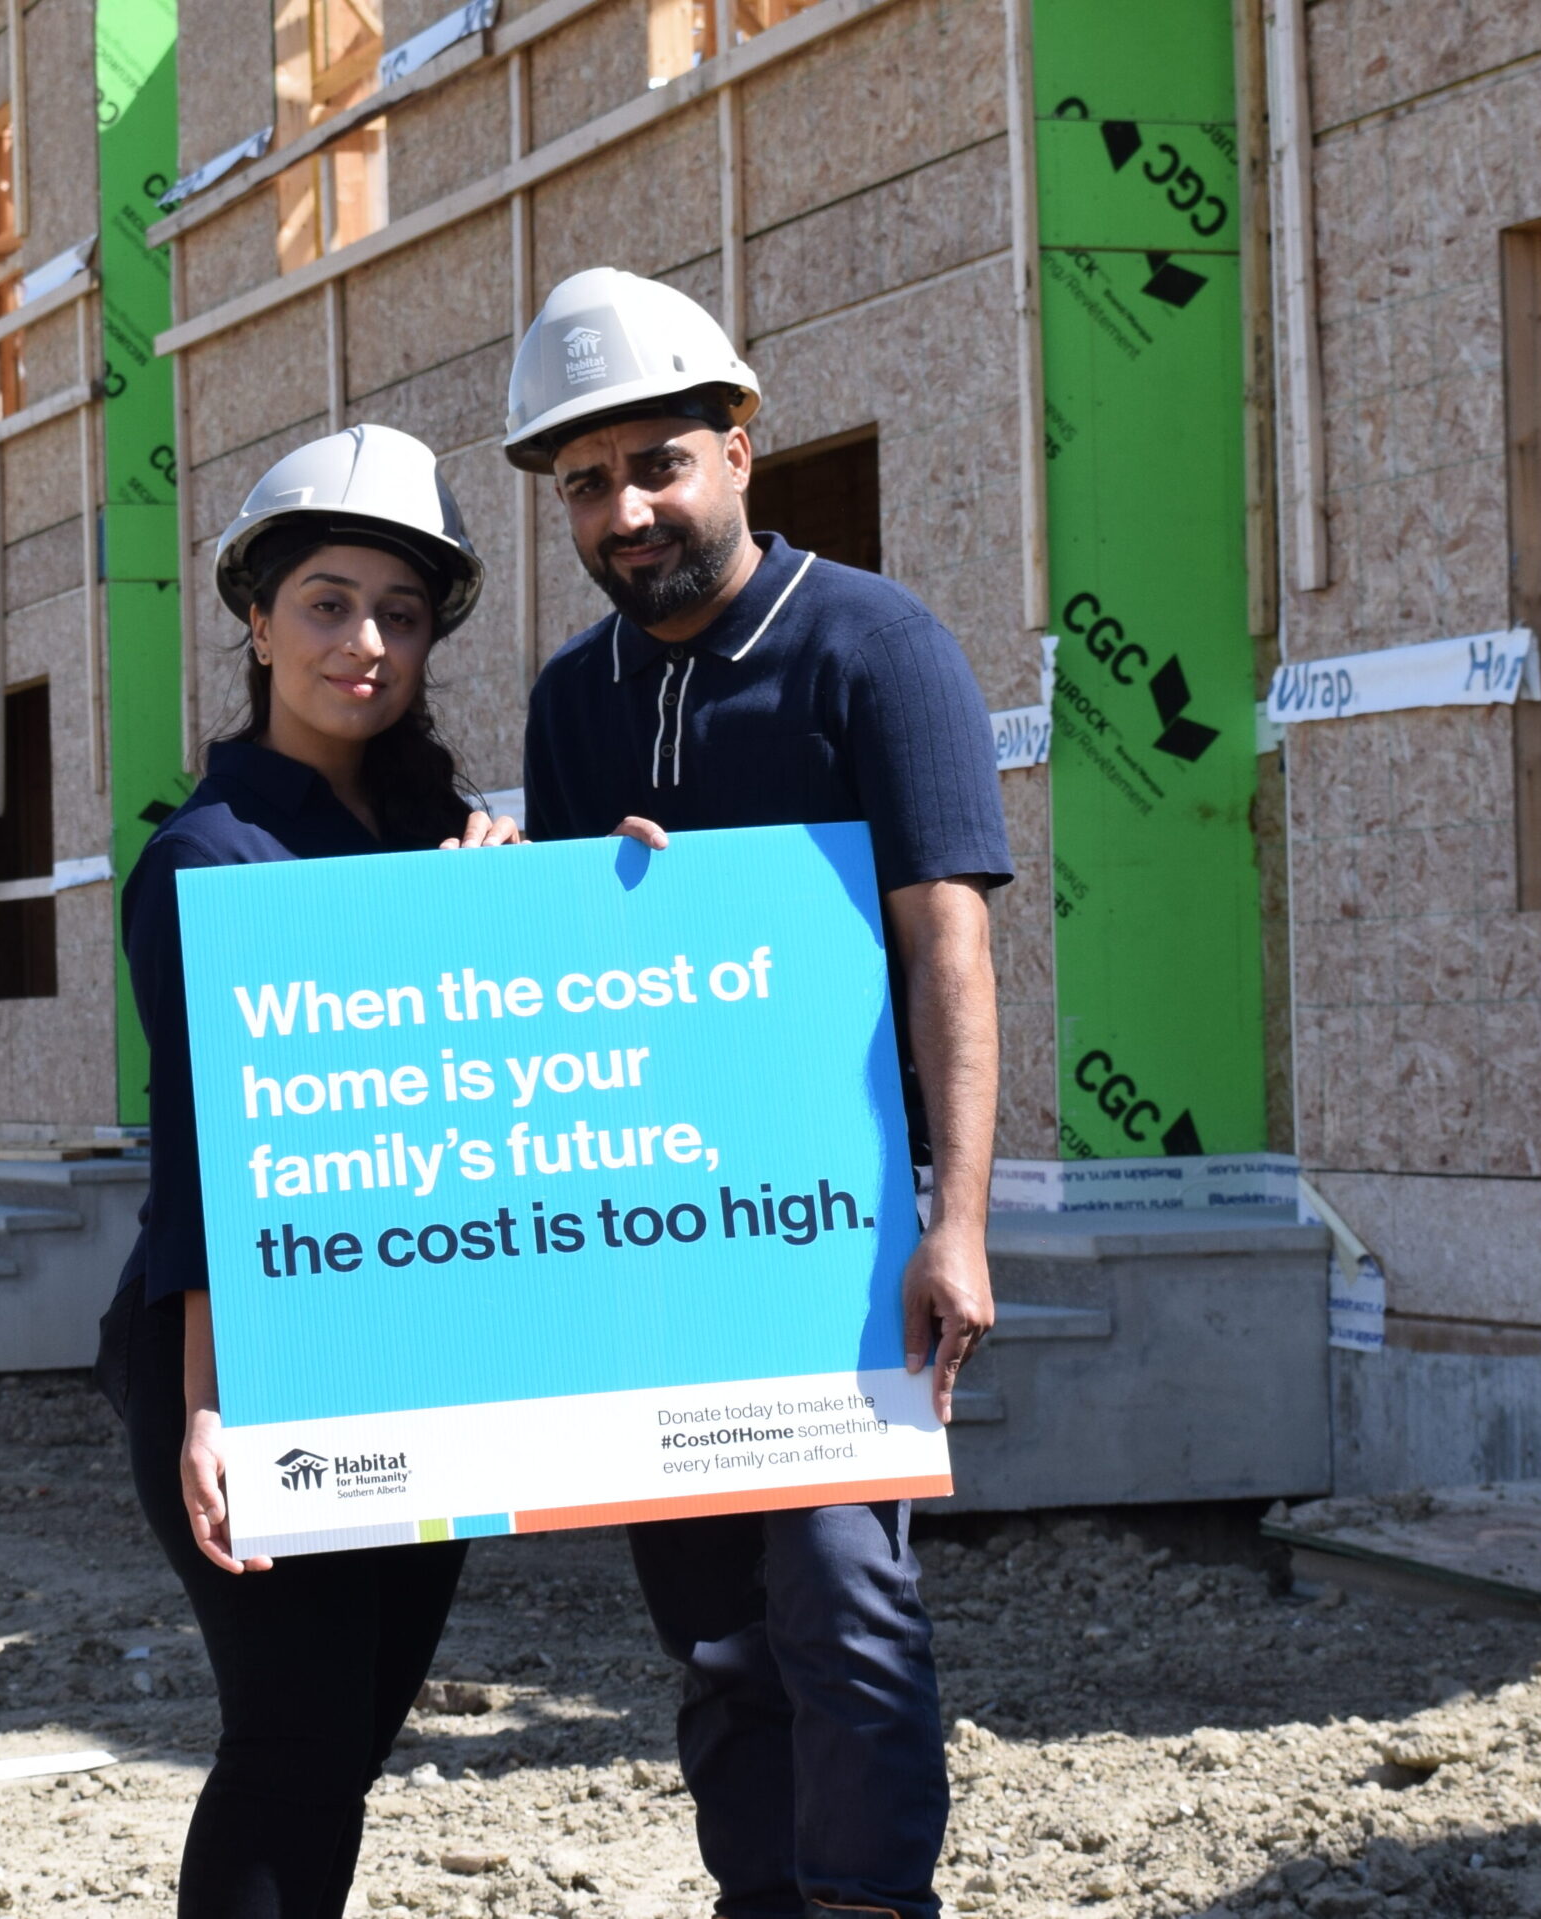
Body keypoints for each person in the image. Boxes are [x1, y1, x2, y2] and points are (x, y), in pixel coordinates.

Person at [508, 267, 1013, 1919]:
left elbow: (948, 943)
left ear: (740, 445)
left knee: (844, 1603)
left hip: (836, 1243)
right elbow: (572, 988)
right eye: (588, 484)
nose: (627, 509)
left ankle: (871, 1904)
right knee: (713, 1624)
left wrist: (958, 1224)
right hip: (661, 1245)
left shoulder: (876, 645)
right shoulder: (571, 700)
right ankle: (761, 1898)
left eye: (659, 462)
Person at [93, 423, 514, 1919]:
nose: (367, 642)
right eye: (329, 603)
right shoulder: (210, 861)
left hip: (414, 1337)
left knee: (343, 1745)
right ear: (255, 619)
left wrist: (574, 901)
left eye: (401, 613)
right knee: (290, 1734)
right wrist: (212, 1407)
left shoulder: (435, 837)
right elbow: (205, 1153)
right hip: (248, 1352)